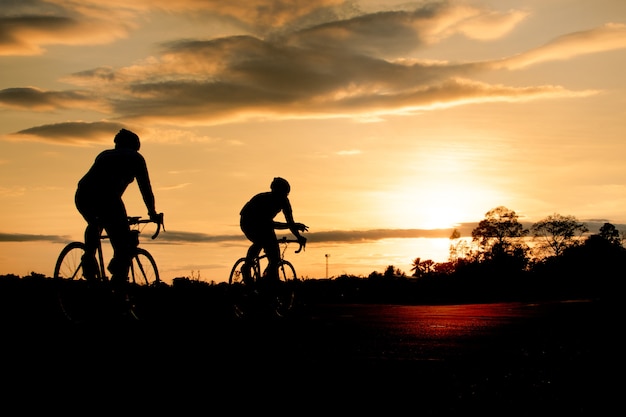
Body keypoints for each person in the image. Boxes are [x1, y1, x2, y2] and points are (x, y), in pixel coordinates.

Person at [75, 128, 160, 288]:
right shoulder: (136, 158)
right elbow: (145, 189)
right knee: (123, 244)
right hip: (108, 198)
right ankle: (116, 282)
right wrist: (152, 212)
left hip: (83, 195)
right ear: (136, 146)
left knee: (95, 222)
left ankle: (89, 259)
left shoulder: (104, 154)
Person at [239, 177, 308, 286]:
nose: (283, 196)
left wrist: (298, 236)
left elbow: (290, 221)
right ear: (274, 191)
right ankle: (246, 267)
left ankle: (270, 279)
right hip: (249, 222)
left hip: (265, 224)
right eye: (281, 193)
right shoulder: (264, 200)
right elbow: (270, 224)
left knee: (275, 257)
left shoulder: (284, 201)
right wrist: (293, 226)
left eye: (286, 194)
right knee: (261, 241)